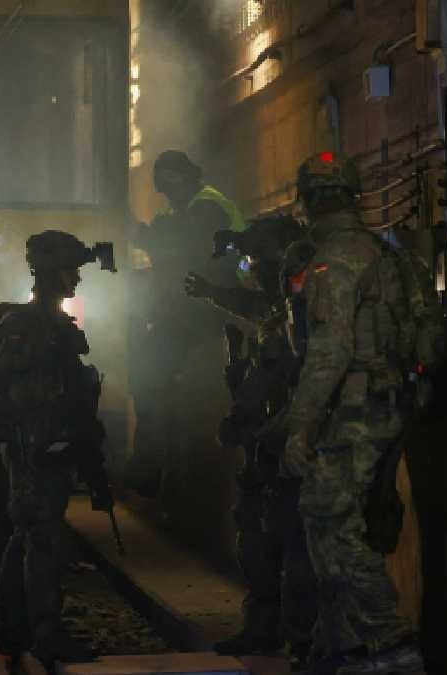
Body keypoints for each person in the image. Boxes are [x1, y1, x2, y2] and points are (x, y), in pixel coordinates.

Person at [279, 156, 425, 674]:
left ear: (308, 201)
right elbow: (421, 338)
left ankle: (388, 643)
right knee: (346, 520)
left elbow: (330, 349)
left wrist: (300, 426)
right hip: (392, 402)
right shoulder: (388, 255)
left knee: (328, 518)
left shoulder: (335, 259)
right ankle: (340, 646)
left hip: (357, 409)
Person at [0, 230, 117, 667]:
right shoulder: (27, 327)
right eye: (71, 270)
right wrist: (42, 436)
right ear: (50, 274)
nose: (76, 278)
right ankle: (45, 635)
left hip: (46, 447)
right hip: (35, 450)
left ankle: (10, 629)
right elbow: (14, 389)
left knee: (27, 534)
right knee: (43, 540)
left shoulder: (51, 324)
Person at [183, 213, 321, 665]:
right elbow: (252, 309)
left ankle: (303, 639)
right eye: (253, 263)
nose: (256, 271)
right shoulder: (277, 308)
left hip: (298, 446)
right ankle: (263, 627)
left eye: (261, 262)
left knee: (298, 546)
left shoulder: (313, 311)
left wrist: (269, 428)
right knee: (257, 540)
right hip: (268, 443)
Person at [123, 150, 247, 501]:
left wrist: (144, 235)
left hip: (211, 309)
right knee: (149, 373)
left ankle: (152, 466)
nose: (168, 194)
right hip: (191, 308)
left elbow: (188, 252)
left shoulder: (207, 208)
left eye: (171, 186)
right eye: (165, 189)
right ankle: (156, 466)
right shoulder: (178, 212)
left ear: (185, 180)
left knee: (152, 375)